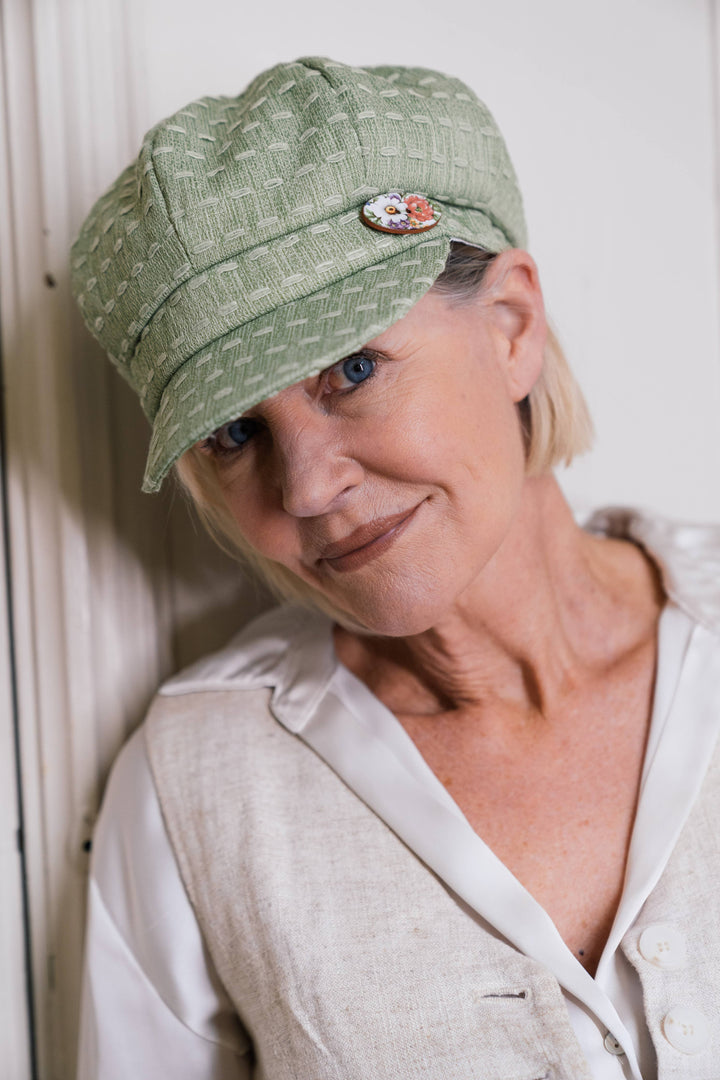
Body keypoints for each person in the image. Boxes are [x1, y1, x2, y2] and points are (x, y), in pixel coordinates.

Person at [71, 56, 720, 1080]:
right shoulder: (201, 784)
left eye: (353, 370)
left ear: (512, 327)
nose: (307, 488)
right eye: (236, 433)